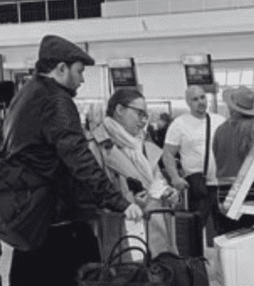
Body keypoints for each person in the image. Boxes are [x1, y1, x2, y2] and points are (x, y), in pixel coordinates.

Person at [2, 35, 144, 286]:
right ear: (60, 68)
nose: (82, 80)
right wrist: (118, 201)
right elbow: (78, 159)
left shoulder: (23, 96)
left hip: (30, 221)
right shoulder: (56, 101)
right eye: (80, 71)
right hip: (64, 222)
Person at [89, 88, 178, 257]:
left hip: (155, 230)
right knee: (131, 278)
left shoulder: (141, 146)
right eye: (139, 114)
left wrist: (168, 191)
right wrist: (128, 201)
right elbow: (94, 193)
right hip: (122, 235)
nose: (144, 121)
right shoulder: (97, 148)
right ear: (120, 110)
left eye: (146, 116)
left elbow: (156, 180)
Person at [162, 86, 225, 232]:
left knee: (224, 227)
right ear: (188, 102)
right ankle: (193, 255)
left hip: (220, 184)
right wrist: (175, 177)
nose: (200, 102)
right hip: (196, 185)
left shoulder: (219, 121)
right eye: (195, 99)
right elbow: (168, 154)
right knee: (194, 227)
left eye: (202, 97)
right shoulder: (179, 124)